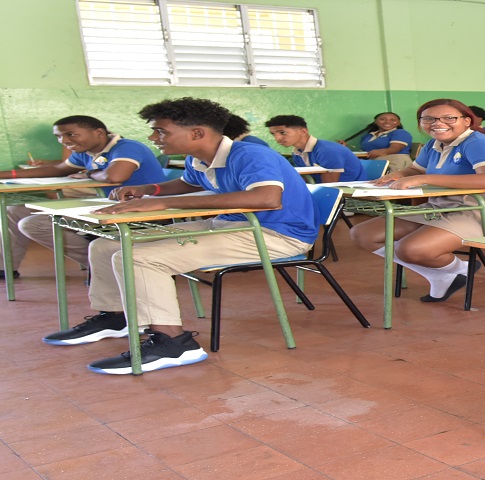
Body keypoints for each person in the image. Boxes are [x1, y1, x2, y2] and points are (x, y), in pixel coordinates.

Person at [40, 97, 317, 374]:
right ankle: (115, 317)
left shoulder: (250, 155)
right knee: (105, 245)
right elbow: (185, 183)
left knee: (142, 258)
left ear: (197, 133)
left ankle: (174, 344)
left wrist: (165, 204)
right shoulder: (198, 158)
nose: (153, 137)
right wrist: (150, 191)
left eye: (161, 131)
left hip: (277, 235)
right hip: (232, 226)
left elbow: (267, 198)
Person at [349, 99, 485, 302]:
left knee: (412, 249)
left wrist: (424, 179)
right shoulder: (433, 145)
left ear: (467, 121)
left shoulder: (481, 143)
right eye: (428, 118)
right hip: (449, 204)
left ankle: (457, 270)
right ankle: (447, 273)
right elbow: (416, 169)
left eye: (449, 118)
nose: (437, 123)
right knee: (363, 234)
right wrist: (397, 175)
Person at [4, 115, 164, 278]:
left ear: (99, 133)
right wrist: (8, 174)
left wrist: (90, 172)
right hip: (108, 204)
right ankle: (5, 268)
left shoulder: (127, 147)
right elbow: (59, 170)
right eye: (59, 136)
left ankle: (105, 265)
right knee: (15, 210)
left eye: (70, 134)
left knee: (33, 224)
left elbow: (114, 177)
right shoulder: (85, 152)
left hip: (139, 209)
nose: (63, 141)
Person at [265, 115, 364, 183]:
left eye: (282, 132)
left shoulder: (327, 150)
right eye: (274, 134)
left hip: (349, 196)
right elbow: (305, 179)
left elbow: (330, 186)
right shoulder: (297, 152)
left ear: (303, 131)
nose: (277, 138)